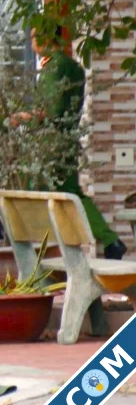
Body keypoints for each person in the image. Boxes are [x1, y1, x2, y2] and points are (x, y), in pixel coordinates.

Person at [28, 27, 127, 260]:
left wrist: (24, 117)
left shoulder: (55, 67)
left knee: (39, 192)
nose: (31, 42)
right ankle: (109, 242)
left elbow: (50, 111)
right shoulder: (72, 66)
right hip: (67, 140)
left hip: (51, 143)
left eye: (33, 36)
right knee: (72, 194)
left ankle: (58, 254)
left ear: (44, 36)